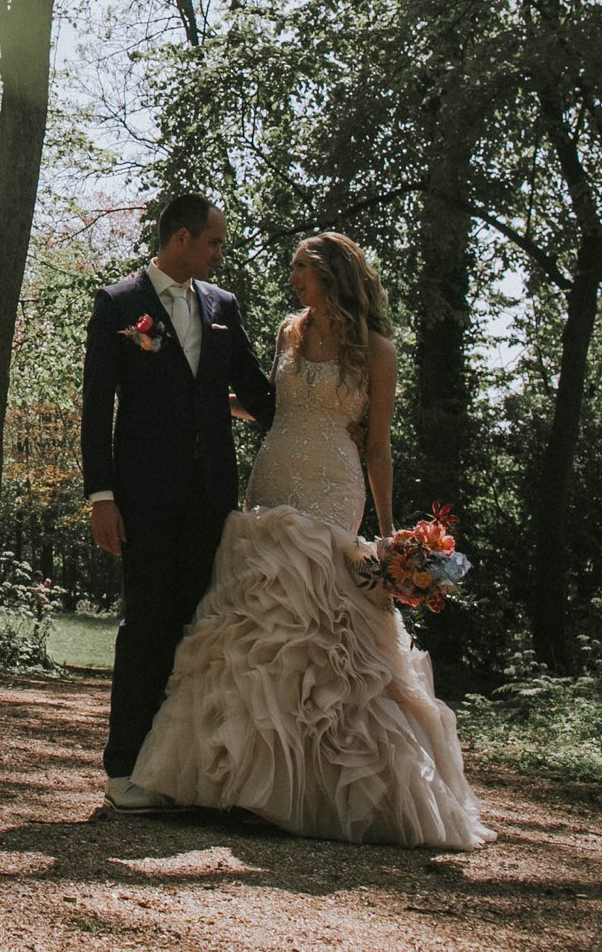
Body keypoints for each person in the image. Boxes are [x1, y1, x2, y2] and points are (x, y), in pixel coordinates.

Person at [130, 232, 491, 849]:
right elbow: (269, 405)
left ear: (331, 273)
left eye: (301, 268)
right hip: (273, 475)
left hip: (333, 484)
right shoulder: (288, 331)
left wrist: (387, 531)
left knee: (322, 624)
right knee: (255, 619)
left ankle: (319, 785)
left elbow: (377, 443)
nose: (292, 277)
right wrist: (196, 401)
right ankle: (242, 781)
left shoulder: (376, 349)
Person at [78, 193, 275, 815]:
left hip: (211, 496)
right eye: (214, 242)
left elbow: (255, 393)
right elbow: (96, 411)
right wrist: (102, 497)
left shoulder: (223, 307)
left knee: (199, 629)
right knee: (145, 626)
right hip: (142, 497)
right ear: (183, 239)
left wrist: (327, 418)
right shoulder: (119, 305)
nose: (220, 253)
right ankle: (122, 769)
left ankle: (178, 769)